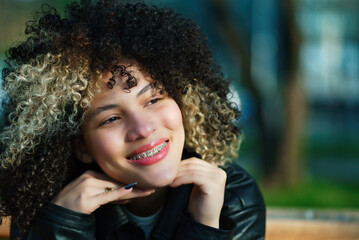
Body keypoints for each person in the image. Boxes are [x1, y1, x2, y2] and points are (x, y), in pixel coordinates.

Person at [0, 0, 266, 239]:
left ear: (183, 103)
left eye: (153, 100)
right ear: (81, 146)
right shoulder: (48, 209)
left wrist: (206, 225)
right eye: (112, 118)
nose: (143, 128)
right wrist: (65, 226)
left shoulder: (232, 198)